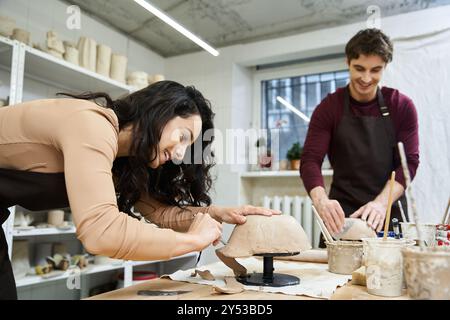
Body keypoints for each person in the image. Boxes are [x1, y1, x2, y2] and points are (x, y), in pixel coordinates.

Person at [0, 80, 280, 299]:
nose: (182, 154)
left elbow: (158, 212)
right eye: (182, 137)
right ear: (158, 111)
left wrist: (217, 214)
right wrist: (193, 241)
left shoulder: (121, 160)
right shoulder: (92, 125)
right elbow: (101, 232)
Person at [300, 29, 419, 244]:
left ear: (385, 67)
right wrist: (321, 201)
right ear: (348, 62)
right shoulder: (329, 107)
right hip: (341, 215)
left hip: (386, 212)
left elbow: (408, 163)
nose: (366, 78)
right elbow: (310, 160)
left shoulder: (401, 106)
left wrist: (381, 204)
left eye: (375, 70)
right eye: (359, 68)